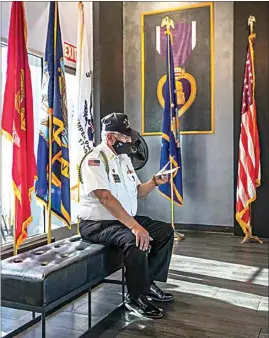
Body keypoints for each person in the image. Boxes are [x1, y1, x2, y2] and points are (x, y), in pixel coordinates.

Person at [78, 112, 174, 319]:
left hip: (120, 220)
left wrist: (155, 182)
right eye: (125, 137)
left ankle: (147, 284)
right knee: (135, 239)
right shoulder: (95, 159)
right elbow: (105, 198)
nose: (130, 141)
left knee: (165, 231)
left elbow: (137, 191)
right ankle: (135, 297)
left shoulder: (124, 160)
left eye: (129, 136)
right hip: (97, 223)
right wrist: (135, 227)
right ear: (110, 137)